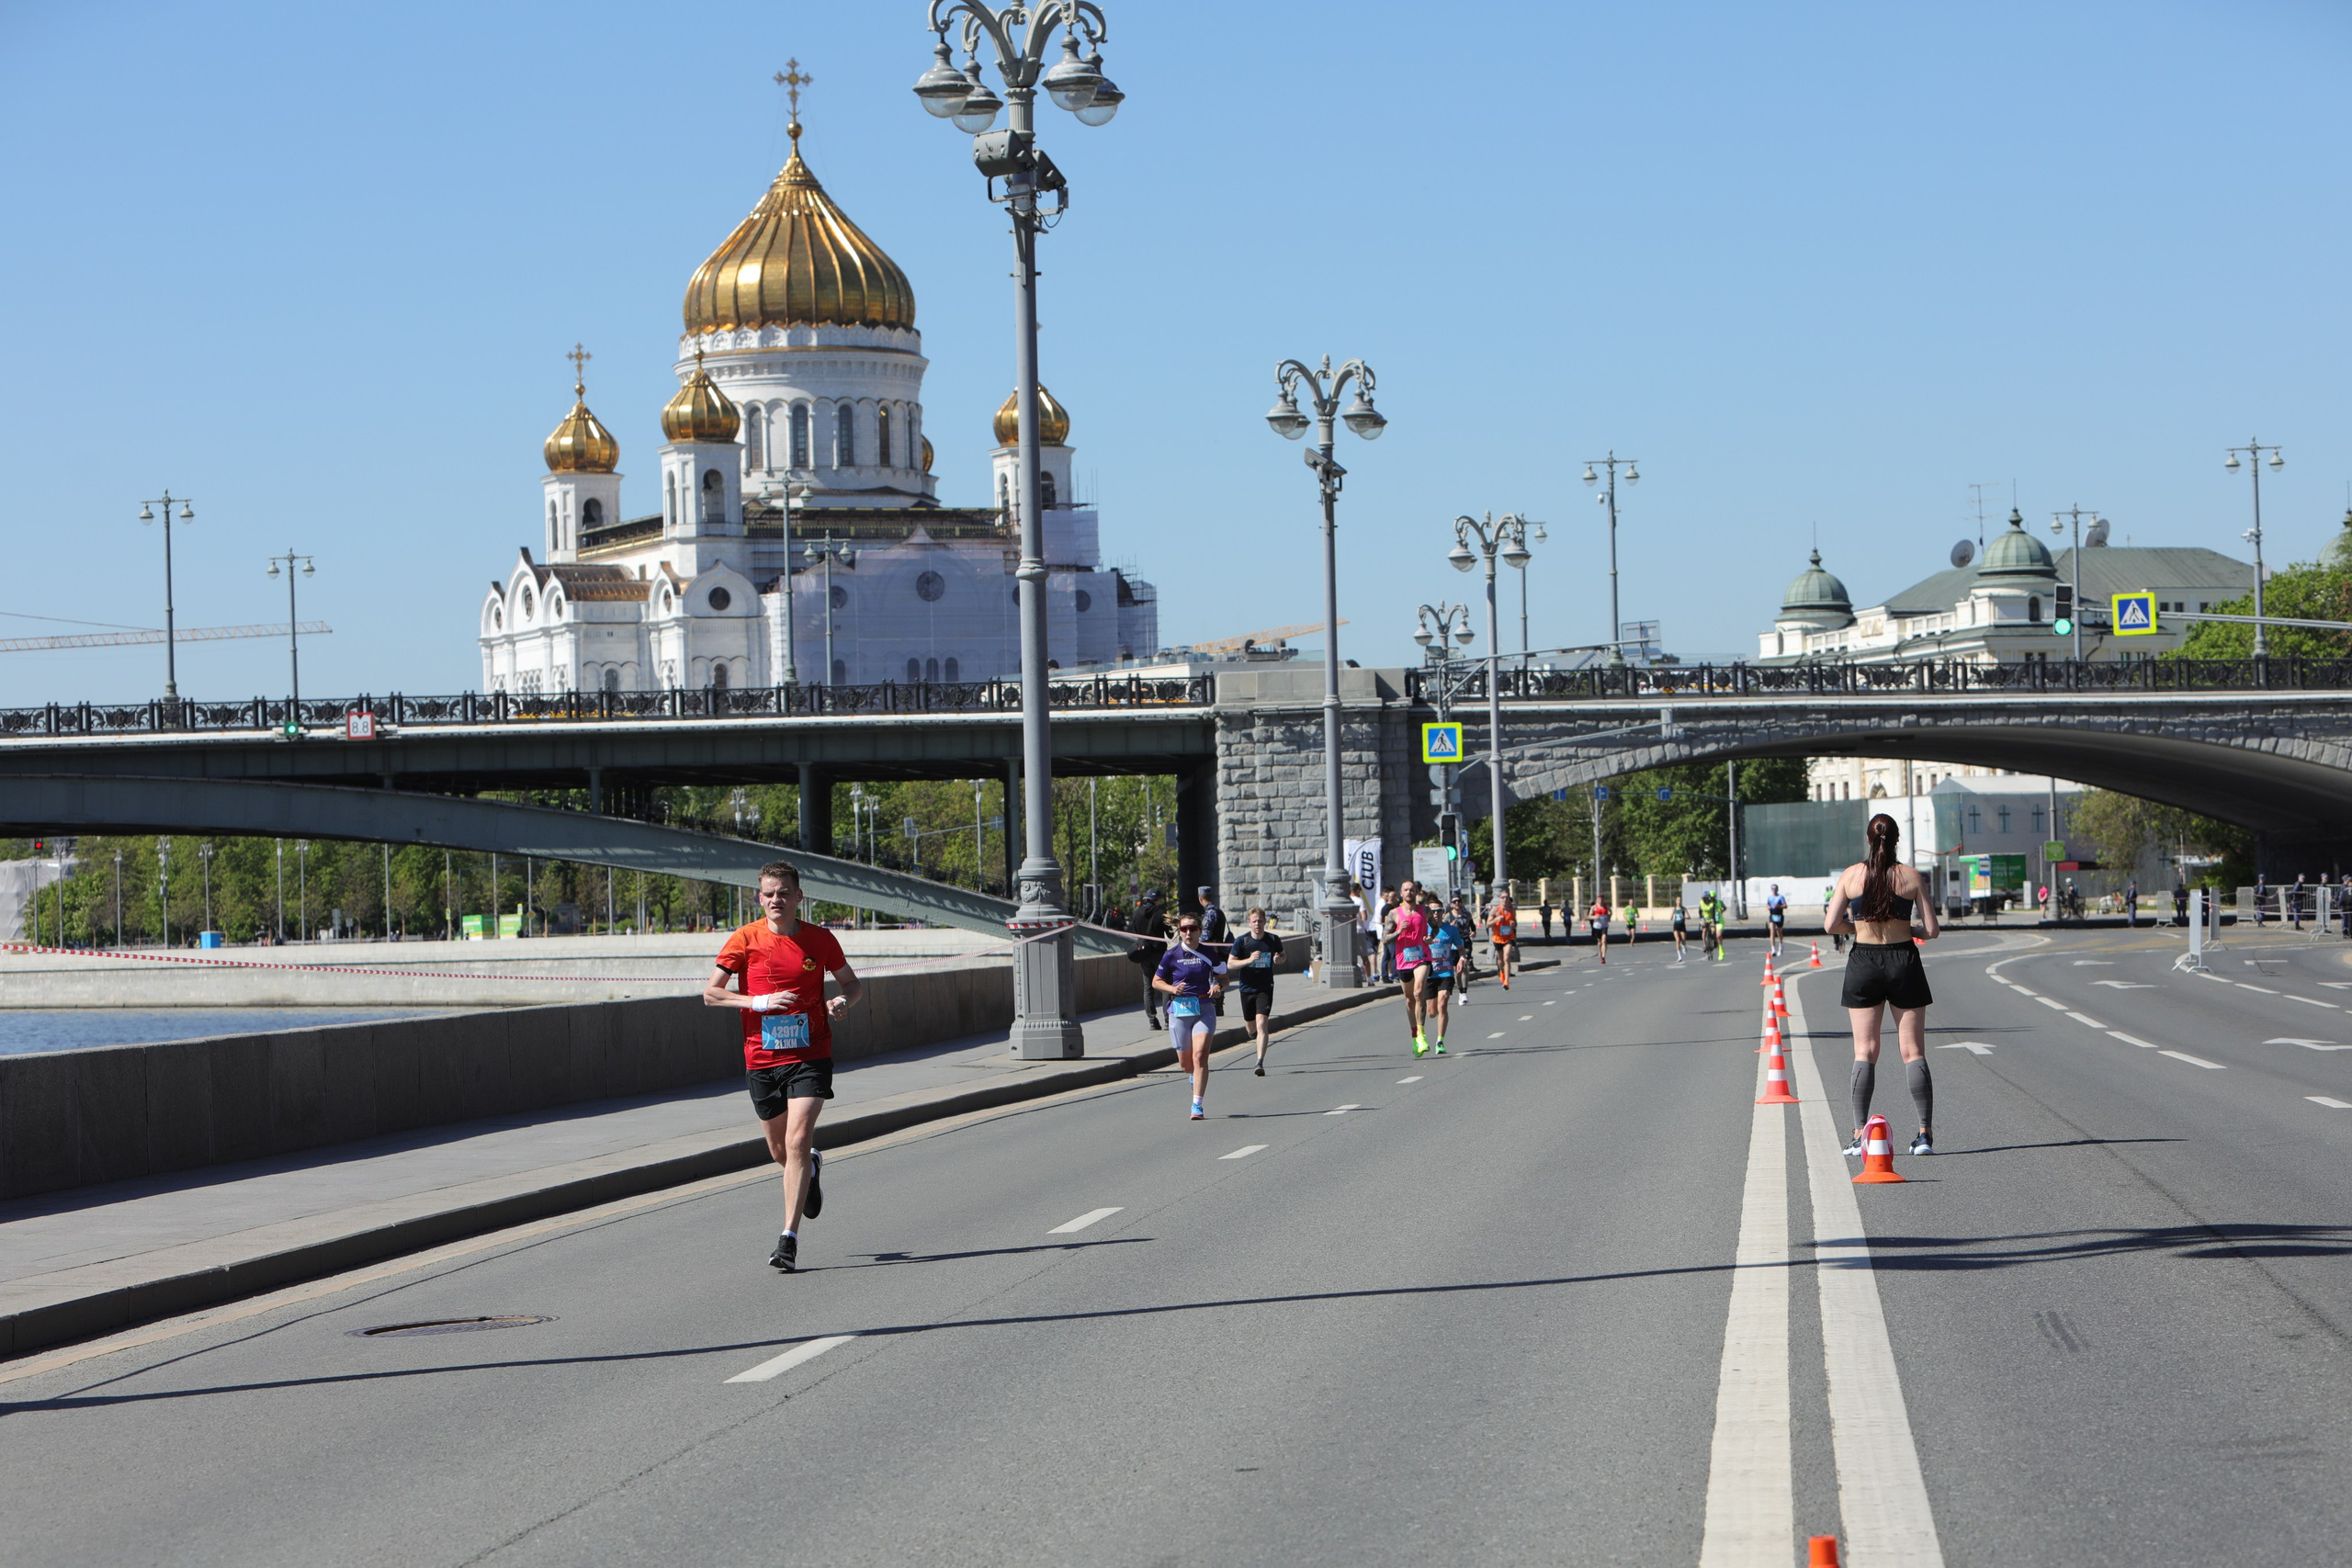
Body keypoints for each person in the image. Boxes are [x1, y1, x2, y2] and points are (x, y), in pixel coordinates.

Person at [704, 859, 865, 1274]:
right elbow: (711, 995)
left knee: (796, 1141)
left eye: (783, 892)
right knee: (780, 1150)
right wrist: (758, 1002)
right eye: (768, 893)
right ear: (760, 898)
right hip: (761, 1058)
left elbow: (852, 983)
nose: (775, 899)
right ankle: (810, 1168)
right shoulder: (745, 939)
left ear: (798, 896)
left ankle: (788, 1240)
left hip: (811, 1053)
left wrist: (842, 1001)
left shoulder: (820, 939)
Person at [1824, 813, 1942, 1158]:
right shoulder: (1909, 877)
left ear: (1868, 838)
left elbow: (1832, 925)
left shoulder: (1851, 875)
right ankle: (1923, 1135)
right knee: (1913, 1051)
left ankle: (1860, 1133)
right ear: (1897, 840)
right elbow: (1932, 930)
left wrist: (1858, 928)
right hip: (1903, 961)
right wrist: (1913, 931)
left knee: (1865, 1050)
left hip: (1864, 963)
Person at [1153, 914, 1226, 1120]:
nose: (1187, 932)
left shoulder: (1209, 954)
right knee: (1186, 1064)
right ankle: (1193, 1074)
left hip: (1204, 1007)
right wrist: (1173, 989)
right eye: (1184, 929)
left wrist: (1219, 986)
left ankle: (1197, 1105)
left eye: (1192, 928)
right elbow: (1156, 981)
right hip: (1180, 1010)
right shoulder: (1171, 955)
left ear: (1199, 931)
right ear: (1179, 931)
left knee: (1201, 1055)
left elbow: (1224, 977)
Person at [1227, 907, 1284, 1075]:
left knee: (1262, 1024)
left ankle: (1259, 1062)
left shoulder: (1273, 939)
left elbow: (1282, 955)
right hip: (1246, 988)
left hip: (1265, 988)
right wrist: (1249, 960)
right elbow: (1230, 964)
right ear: (1249, 923)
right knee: (1251, 1027)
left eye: (1260, 921)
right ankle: (1254, 1035)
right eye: (1254, 921)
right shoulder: (1242, 941)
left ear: (1265, 922)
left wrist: (1278, 959)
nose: (1257, 924)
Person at [1391, 878, 1434, 1055]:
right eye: (1406, 890)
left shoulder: (1424, 910)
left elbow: (1436, 928)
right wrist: (1398, 931)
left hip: (1422, 956)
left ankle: (1422, 1035)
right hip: (1403, 959)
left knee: (1418, 992)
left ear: (1416, 893)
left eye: (1412, 889)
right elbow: (1385, 939)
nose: (1409, 892)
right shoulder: (1394, 913)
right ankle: (1414, 1035)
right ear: (1401, 894)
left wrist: (1430, 938)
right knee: (1409, 999)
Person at [1425, 904, 1462, 1053]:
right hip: (1429, 973)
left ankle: (1440, 1041)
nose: (1436, 914)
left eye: (1438, 911)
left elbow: (1460, 949)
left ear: (1443, 912)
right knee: (1432, 1012)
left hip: (1446, 972)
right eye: (1432, 911)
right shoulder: (1425, 929)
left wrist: (1462, 959)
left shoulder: (1451, 930)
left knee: (1443, 1003)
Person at [1197, 886, 1230, 1014]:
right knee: (1218, 977)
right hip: (1218, 950)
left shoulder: (1210, 913)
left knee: (1215, 978)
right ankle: (1218, 1006)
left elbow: (1206, 935)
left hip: (1213, 952)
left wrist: (1195, 943)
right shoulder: (1218, 911)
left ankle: (1217, 1007)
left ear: (1200, 899)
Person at [1488, 892, 1519, 989]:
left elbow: (1515, 923)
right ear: (1500, 899)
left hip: (1509, 937)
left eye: (1507, 897)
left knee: (1506, 958)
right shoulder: (1495, 910)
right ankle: (1501, 972)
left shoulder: (1511, 910)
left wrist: (1513, 924)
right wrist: (1496, 919)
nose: (1505, 899)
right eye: (1503, 897)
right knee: (1500, 960)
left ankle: (1506, 981)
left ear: (1509, 900)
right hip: (1498, 938)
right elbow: (1488, 924)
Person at [1699, 888, 1724, 960]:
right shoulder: (1701, 903)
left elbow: (1713, 912)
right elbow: (1700, 912)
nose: (1703, 899)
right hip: (1705, 918)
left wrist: (1713, 920)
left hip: (1711, 918)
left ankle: (1715, 941)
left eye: (1704, 898)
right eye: (1702, 898)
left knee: (1713, 930)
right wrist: (1702, 919)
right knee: (1704, 930)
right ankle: (1705, 945)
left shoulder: (1711, 903)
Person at [1765, 883, 1789, 958]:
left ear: (1777, 890)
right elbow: (1768, 904)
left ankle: (1781, 945)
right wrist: (1768, 907)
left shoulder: (1780, 897)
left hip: (1779, 915)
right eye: (1772, 889)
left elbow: (1785, 906)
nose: (1774, 890)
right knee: (1772, 931)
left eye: (1775, 889)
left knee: (1779, 932)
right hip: (1772, 915)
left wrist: (1778, 906)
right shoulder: (1769, 897)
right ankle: (1773, 949)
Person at [1589, 895, 1612, 964]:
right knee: (1599, 942)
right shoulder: (1594, 907)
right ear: (1597, 900)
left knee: (1604, 940)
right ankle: (1601, 951)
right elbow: (1589, 916)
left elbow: (1610, 912)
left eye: (1601, 899)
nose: (1600, 901)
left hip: (1604, 926)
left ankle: (1603, 957)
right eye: (1599, 899)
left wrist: (1609, 917)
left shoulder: (1606, 906)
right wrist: (1595, 917)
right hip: (1597, 926)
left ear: (1603, 900)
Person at [1669, 896, 1689, 963]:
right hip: (1676, 926)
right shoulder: (1674, 909)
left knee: (1683, 940)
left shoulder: (1684, 909)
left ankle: (1684, 946)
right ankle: (1679, 956)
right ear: (1676, 901)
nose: (1679, 901)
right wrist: (1671, 916)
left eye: (1680, 900)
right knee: (1677, 940)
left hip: (1682, 925)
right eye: (1678, 900)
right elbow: (1671, 917)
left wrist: (1684, 917)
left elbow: (1689, 917)